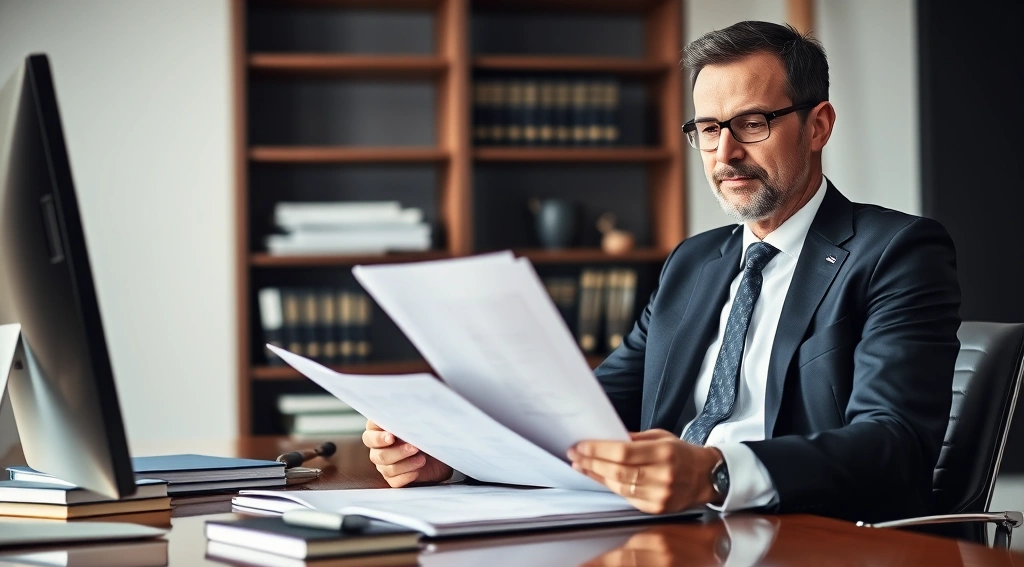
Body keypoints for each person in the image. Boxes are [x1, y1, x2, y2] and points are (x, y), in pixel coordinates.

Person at [361, 21, 960, 523]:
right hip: (668, 531)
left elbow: (894, 443)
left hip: (803, 536)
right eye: (707, 129)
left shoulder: (897, 251)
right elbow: (592, 410)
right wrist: (455, 455)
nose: (725, 153)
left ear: (819, 125)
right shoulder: (693, 262)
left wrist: (718, 473)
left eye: (752, 123)